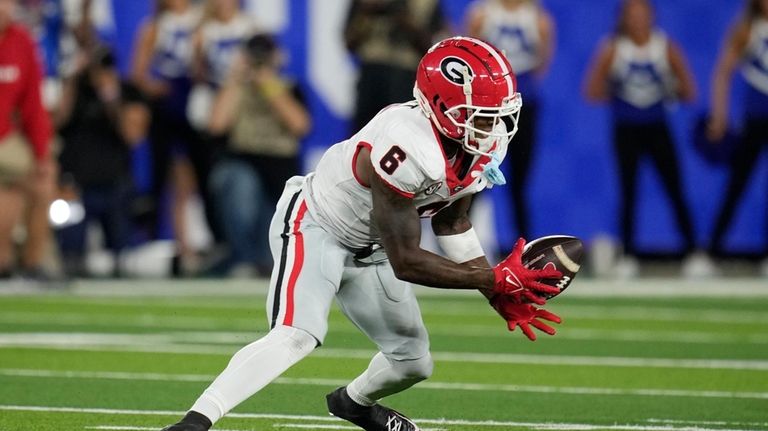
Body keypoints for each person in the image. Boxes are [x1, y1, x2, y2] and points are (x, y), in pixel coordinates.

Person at [159, 36, 564, 431]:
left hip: (372, 247)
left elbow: (451, 222)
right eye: (481, 112)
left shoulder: (481, 140)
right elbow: (406, 260)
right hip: (317, 224)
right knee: (297, 335)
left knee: (414, 361)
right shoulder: (404, 143)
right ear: (441, 107)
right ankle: (194, 422)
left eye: (498, 112)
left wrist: (494, 291)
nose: (495, 125)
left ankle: (353, 404)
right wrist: (492, 277)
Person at [583, 0, 710, 278]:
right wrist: (618, 93)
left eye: (643, 14)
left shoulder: (665, 47)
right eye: (632, 14)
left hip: (657, 128)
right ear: (623, 18)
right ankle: (628, 256)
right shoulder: (613, 48)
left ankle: (694, 253)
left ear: (652, 17)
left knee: (675, 189)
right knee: (628, 192)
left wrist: (668, 89)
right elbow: (591, 91)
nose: (638, 20)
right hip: (626, 130)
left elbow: (689, 91)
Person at [206, 34, 310, 277]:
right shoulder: (236, 87)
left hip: (280, 174)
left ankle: (255, 261)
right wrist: (235, 79)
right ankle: (242, 256)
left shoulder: (289, 86)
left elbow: (300, 125)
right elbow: (216, 125)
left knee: (270, 258)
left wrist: (268, 83)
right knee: (235, 182)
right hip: (244, 164)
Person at [131, 0, 214, 276]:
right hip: (167, 109)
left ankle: (203, 241)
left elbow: (205, 67)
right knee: (163, 178)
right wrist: (157, 89)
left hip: (192, 104)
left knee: (200, 177)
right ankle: (166, 242)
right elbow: (138, 73)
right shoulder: (154, 27)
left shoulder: (200, 22)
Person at [465, 0, 555, 252]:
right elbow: (469, 59)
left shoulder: (539, 20)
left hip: (523, 107)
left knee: (520, 184)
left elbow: (542, 62)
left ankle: (523, 250)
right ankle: (458, 244)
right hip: (487, 109)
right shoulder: (482, 14)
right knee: (475, 177)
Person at [55, 46, 150, 278]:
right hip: (76, 183)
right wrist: (72, 80)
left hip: (115, 183)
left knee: (122, 255)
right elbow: (56, 121)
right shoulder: (77, 90)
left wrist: (111, 97)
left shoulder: (127, 92)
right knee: (71, 252)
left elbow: (132, 135)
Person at [707, 0, 768, 275]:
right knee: (737, 185)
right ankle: (711, 253)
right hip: (756, 119)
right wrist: (720, 116)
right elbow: (723, 72)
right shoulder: (748, 30)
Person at [0, 0, 56, 281]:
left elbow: (33, 105)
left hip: (6, 139)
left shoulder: (21, 41)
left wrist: (42, 153)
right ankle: (25, 260)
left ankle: (17, 261)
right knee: (26, 184)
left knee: (32, 182)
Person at [344, 0, 447, 131]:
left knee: (400, 130)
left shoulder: (427, 3)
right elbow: (349, 42)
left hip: (404, 76)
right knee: (363, 130)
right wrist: (366, 12)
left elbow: (432, 46)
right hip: (371, 73)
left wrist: (402, 16)